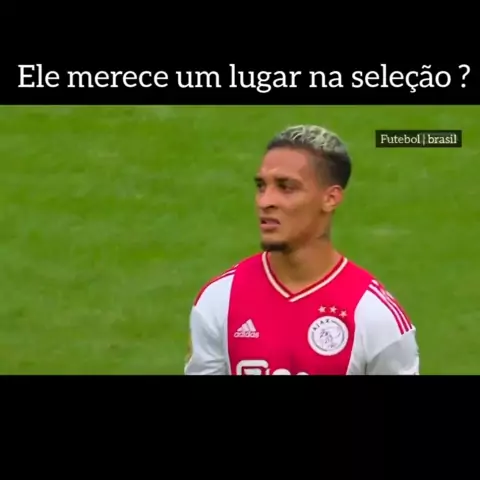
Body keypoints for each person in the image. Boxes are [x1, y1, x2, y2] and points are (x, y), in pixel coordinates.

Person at [184, 125, 420, 375]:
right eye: (261, 186)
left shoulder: (374, 315)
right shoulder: (220, 299)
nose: (265, 201)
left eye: (286, 187)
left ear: (330, 198)